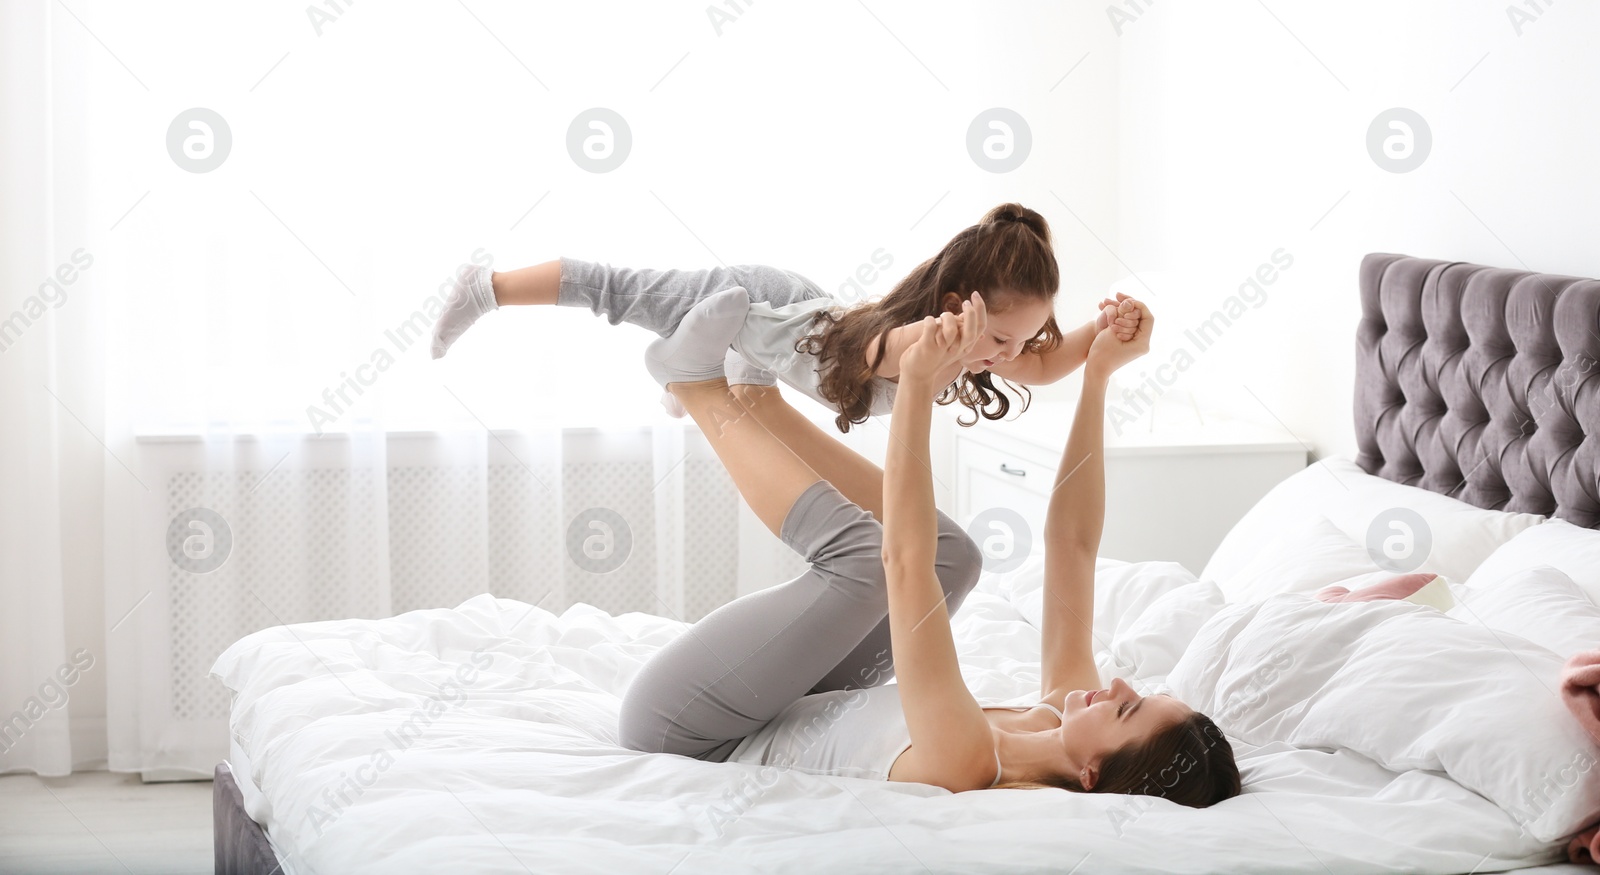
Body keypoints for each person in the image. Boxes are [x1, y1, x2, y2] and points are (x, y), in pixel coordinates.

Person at [616, 290, 1240, 803]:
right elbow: (1071, 545)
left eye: (1129, 712)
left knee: (866, 562)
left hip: (689, 727)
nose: (1125, 685)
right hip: (787, 698)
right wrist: (1099, 374)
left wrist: (917, 389)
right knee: (957, 556)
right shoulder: (1057, 714)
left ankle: (697, 388)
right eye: (1145, 695)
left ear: (1092, 776)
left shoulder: (967, 761)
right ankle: (758, 398)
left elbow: (901, 564)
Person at [429, 203, 1141, 432]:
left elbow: (1047, 364)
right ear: (958, 309)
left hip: (784, 330)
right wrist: (945, 335)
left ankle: (699, 363)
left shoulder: (979, 346)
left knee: (743, 362)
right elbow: (905, 351)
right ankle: (485, 286)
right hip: (761, 299)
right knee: (624, 294)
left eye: (1012, 344)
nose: (1006, 355)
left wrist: (1105, 333)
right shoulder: (916, 344)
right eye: (1000, 338)